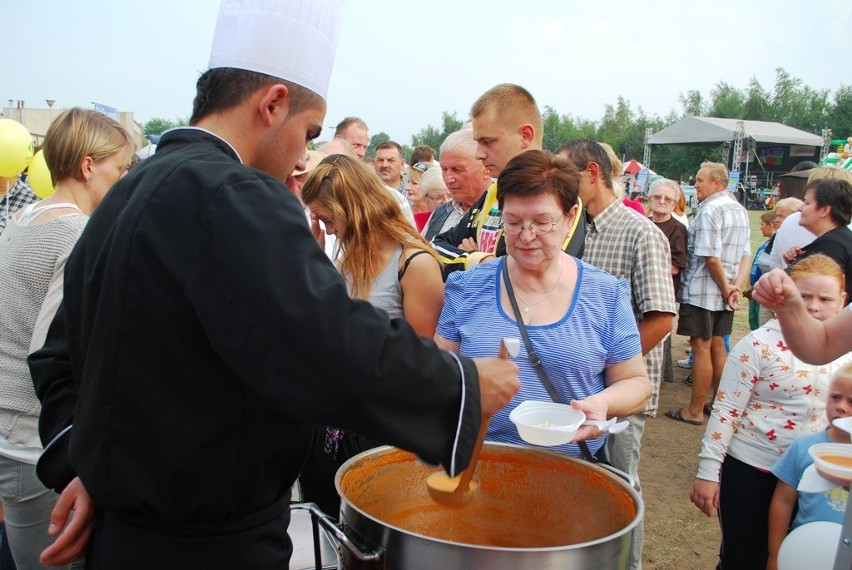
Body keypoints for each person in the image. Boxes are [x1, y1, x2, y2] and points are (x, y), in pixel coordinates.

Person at [26, 2, 519, 567]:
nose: (299, 159)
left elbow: (59, 358)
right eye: (308, 133)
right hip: (212, 546)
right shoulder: (232, 194)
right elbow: (323, 342)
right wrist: (464, 386)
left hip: (121, 538)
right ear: (273, 104)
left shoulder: (130, 191)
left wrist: (88, 465)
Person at [436, 149, 651, 459]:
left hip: (571, 472)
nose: (526, 236)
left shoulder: (605, 294)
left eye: (542, 222)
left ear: (570, 218)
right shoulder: (467, 287)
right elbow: (440, 372)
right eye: (513, 222)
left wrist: (603, 403)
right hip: (479, 463)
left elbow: (636, 382)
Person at [0, 107, 134, 569]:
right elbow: (52, 349)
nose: (122, 181)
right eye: (119, 169)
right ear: (88, 166)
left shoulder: (24, 217)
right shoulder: (77, 232)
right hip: (32, 437)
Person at [299, 154, 445, 517]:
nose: (329, 231)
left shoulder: (414, 264)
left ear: (353, 208)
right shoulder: (347, 257)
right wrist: (315, 264)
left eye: (329, 219)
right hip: (334, 426)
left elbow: (419, 366)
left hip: (378, 432)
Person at [689, 253, 851, 570]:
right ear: (785, 295)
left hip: (812, 475)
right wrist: (708, 473)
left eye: (825, 298)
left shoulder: (844, 352)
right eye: (804, 296)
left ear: (843, 300)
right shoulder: (757, 345)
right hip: (753, 469)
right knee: (745, 557)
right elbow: (725, 412)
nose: (814, 306)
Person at [556, 141, 675, 570]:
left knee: (620, 484)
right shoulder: (573, 228)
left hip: (621, 392)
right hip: (578, 391)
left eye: (566, 177)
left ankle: (629, 564)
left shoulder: (640, 231)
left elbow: (663, 318)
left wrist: (611, 366)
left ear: (591, 172)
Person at [432, 84, 585, 277]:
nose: (478, 154)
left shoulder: (564, 201)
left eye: (487, 142)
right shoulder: (492, 193)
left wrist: (471, 259)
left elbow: (528, 275)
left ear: (525, 136)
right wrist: (478, 259)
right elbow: (436, 246)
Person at [666, 162, 750, 426]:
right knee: (717, 346)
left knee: (700, 347)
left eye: (700, 180)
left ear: (717, 182)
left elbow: (710, 258)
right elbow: (746, 254)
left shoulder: (709, 210)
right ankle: (720, 404)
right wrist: (735, 286)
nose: (696, 184)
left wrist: (727, 288)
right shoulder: (739, 209)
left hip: (704, 290)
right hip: (726, 291)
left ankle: (694, 410)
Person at [767, 363, 852, 570]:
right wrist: (775, 555)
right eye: (835, 397)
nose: (841, 407)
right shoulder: (805, 447)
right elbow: (783, 502)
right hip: (805, 553)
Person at [782, 178, 852, 302]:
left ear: (825, 210)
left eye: (807, 203)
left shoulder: (831, 245)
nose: (800, 208)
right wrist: (798, 263)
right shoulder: (839, 239)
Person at [647, 178, 687, 386]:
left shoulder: (678, 229)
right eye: (657, 196)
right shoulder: (643, 223)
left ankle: (657, 378)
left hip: (663, 292)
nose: (661, 201)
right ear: (649, 199)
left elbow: (676, 265)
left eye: (667, 198)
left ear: (674, 204)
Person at [421, 128, 491, 241]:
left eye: (457, 169)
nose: (448, 179)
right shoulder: (439, 213)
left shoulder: (502, 213)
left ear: (486, 169)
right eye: (444, 169)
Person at [743, 209, 778, 329]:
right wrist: (749, 284)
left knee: (761, 323)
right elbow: (755, 264)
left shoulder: (775, 245)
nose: (760, 228)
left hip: (762, 290)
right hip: (753, 289)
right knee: (753, 320)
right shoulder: (763, 244)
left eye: (762, 225)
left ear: (770, 225)